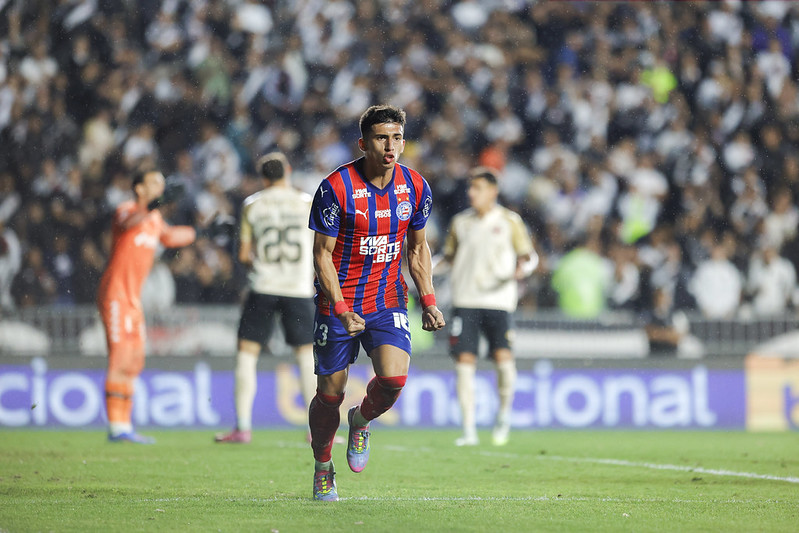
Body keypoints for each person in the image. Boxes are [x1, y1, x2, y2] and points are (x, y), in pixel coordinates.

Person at [307, 105, 445, 501]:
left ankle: (362, 419)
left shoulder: (415, 187)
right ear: (363, 142)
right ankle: (321, 467)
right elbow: (322, 255)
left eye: (397, 137)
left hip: (387, 299)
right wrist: (340, 308)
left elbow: (417, 250)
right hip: (339, 304)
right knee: (329, 395)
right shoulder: (336, 188)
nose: (391, 146)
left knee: (394, 379)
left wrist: (429, 300)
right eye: (382, 138)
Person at [215, 152, 318, 444]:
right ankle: (315, 430)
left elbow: (245, 255)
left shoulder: (253, 204)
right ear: (288, 170)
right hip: (298, 288)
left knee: (247, 354)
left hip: (263, 285)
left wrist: (256, 265)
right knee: (305, 355)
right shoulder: (306, 203)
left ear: (263, 177)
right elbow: (321, 247)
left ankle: (243, 427)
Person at [98, 169, 196, 443]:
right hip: (115, 294)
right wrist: (154, 205)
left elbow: (172, 237)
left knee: (134, 361)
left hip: (133, 298)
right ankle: (117, 427)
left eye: (162, 184)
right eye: (154, 183)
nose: (160, 188)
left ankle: (125, 426)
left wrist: (202, 231)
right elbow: (131, 220)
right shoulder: (126, 210)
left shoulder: (154, 218)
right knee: (120, 358)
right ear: (139, 188)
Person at [440, 167, 536, 447]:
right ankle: (468, 429)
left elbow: (529, 257)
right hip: (466, 300)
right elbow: (448, 257)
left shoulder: (509, 221)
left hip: (498, 302)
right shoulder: (460, 222)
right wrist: (423, 271)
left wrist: (524, 270)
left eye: (478, 188)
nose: (471, 193)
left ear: (493, 192)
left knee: (505, 364)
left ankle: (503, 416)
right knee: (463, 366)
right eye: (470, 188)